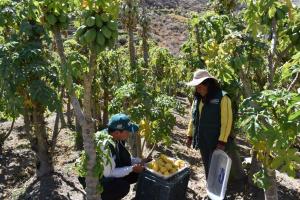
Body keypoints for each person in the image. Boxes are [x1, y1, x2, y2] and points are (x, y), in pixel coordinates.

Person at [79, 113, 151, 200]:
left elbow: (123, 158)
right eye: (127, 131)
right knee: (123, 187)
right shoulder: (104, 146)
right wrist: (132, 168)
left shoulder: (116, 138)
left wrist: (140, 161)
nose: (129, 133)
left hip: (109, 170)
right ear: (117, 132)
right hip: (99, 181)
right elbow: (109, 174)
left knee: (138, 173)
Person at [186, 69, 233, 179]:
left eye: (200, 85)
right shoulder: (197, 99)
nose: (197, 88)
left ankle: (217, 192)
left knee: (216, 168)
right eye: (196, 86)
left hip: (216, 141)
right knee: (207, 165)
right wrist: (190, 135)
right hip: (203, 139)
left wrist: (222, 141)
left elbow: (226, 121)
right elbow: (194, 118)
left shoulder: (222, 97)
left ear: (208, 84)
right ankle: (209, 187)